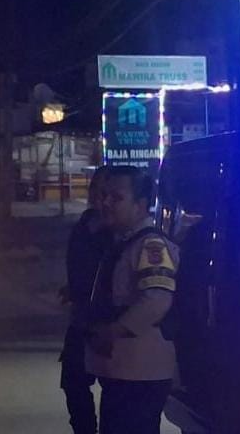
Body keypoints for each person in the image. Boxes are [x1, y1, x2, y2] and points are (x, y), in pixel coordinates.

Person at [86, 166, 179, 434]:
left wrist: (114, 331)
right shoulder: (122, 242)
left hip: (141, 372)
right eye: (104, 196)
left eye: (116, 198)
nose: (106, 203)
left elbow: (157, 300)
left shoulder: (150, 246)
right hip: (123, 369)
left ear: (140, 204)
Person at [59, 166, 113, 434]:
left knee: (114, 387)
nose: (100, 198)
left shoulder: (119, 234)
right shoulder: (85, 224)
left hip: (109, 323)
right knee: (73, 381)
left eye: (107, 193)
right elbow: (82, 265)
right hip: (81, 319)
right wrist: (73, 287)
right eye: (96, 190)